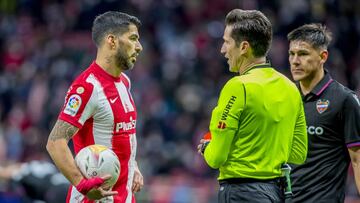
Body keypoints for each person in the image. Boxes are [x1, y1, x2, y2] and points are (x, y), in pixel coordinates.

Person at [197, 9, 308, 203]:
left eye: (226, 42)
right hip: (276, 194)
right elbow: (298, 153)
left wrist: (207, 148)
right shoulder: (291, 88)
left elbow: (216, 158)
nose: (223, 50)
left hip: (241, 193)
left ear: (244, 47)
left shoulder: (237, 87)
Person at [46, 11, 144, 203]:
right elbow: (55, 143)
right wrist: (83, 186)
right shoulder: (87, 88)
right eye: (133, 39)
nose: (139, 47)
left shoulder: (124, 82)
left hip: (124, 198)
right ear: (112, 41)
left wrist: (134, 166)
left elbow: (123, 135)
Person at [288, 23, 360, 202]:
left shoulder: (344, 100)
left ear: (323, 56)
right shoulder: (286, 98)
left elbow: (357, 159)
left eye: (303, 54)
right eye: (292, 54)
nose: (295, 61)